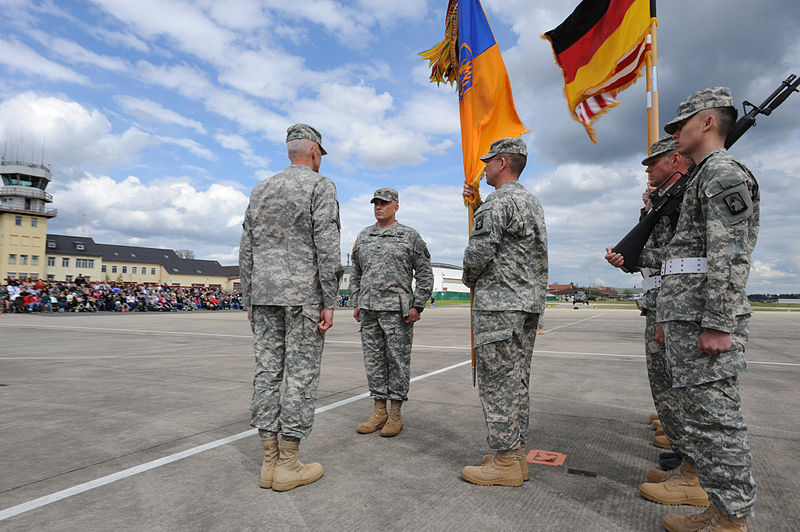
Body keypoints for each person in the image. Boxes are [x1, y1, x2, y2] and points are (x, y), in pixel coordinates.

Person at [647, 88, 759, 531]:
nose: (675, 133)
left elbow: (730, 254)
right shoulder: (701, 175)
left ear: (708, 122)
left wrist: (718, 322)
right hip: (686, 316)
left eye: (681, 124)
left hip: (703, 321)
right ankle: (718, 507)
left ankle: (731, 520)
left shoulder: (723, 173)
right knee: (702, 422)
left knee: (717, 423)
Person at [239, 123, 343, 492]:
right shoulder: (320, 186)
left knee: (267, 373)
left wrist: (249, 294)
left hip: (264, 295)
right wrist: (330, 300)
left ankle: (268, 461)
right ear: (314, 152)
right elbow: (327, 247)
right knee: (300, 376)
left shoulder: (261, 188)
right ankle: (287, 462)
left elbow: (246, 247)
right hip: (303, 296)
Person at [605, 137, 706, 504]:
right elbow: (658, 253)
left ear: (676, 160)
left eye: (654, 162)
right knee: (665, 390)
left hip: (678, 307)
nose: (647, 170)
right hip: (663, 303)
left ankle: (691, 471)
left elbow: (685, 254)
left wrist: (636, 257)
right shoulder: (664, 201)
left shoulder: (692, 194)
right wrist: (630, 256)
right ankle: (686, 464)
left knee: (681, 394)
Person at [459, 137, 548, 487]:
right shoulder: (531, 202)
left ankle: (507, 460)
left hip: (499, 305)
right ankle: (515, 452)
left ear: (503, 163)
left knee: (498, 383)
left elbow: (477, 257)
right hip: (526, 303)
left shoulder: (498, 204)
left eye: (488, 161)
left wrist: (468, 278)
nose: (484, 167)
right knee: (517, 380)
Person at [350, 188, 433, 437]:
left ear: (395, 206)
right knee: (374, 361)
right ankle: (379, 410)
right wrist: (357, 300)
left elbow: (425, 272)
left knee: (397, 361)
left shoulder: (409, 236)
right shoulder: (364, 236)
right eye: (375, 203)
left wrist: (417, 305)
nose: (379, 207)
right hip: (369, 310)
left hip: (397, 312)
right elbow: (355, 271)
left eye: (384, 203)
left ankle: (395, 412)